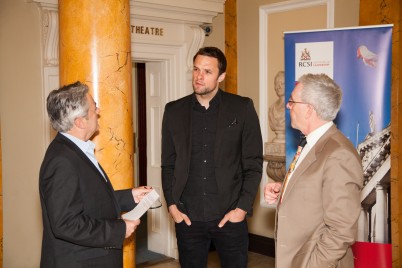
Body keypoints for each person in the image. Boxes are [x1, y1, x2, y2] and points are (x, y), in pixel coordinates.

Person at [161, 46, 263, 268]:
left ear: (221, 76)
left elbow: (253, 164)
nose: (199, 76)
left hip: (230, 215)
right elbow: (168, 163)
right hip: (187, 217)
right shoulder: (173, 111)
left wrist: (241, 209)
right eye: (196, 69)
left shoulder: (242, 108)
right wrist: (171, 205)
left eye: (207, 71)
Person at [39, 81, 152, 268]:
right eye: (93, 108)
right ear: (80, 122)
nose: (98, 111)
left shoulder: (75, 150)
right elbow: (66, 223)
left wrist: (128, 196)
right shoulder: (62, 161)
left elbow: (87, 199)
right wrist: (119, 229)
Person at [264, 73, 363, 268]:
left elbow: (341, 230)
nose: (287, 105)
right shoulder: (312, 142)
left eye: (292, 101)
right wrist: (284, 188)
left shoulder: (339, 154)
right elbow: (314, 186)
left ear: (309, 110)